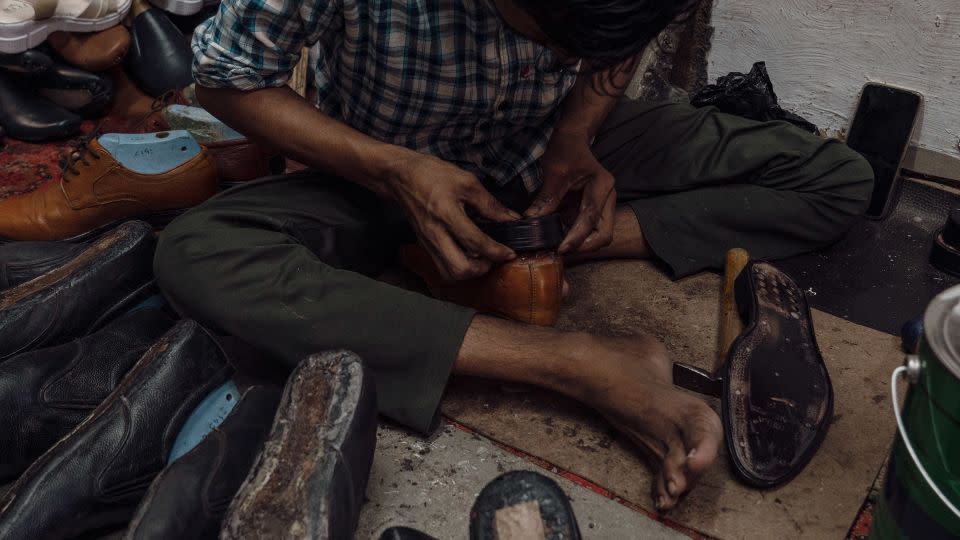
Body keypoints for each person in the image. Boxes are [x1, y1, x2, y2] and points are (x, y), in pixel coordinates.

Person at [156, 0, 874, 511]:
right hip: (385, 173)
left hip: (540, 143)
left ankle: (539, 244)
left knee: (836, 178)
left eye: (582, 56)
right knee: (196, 253)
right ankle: (579, 363)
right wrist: (392, 171)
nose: (566, 63)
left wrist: (577, 135)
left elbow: (608, 49)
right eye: (549, 37)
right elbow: (223, 76)